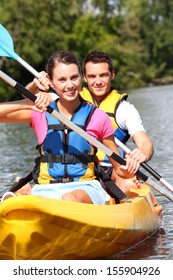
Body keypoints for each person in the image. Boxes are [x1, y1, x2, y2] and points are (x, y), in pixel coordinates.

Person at [0, 50, 140, 204]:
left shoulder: (98, 117)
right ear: (51, 82)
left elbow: (118, 168)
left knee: (69, 198)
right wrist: (29, 103)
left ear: (81, 77)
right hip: (46, 189)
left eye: (74, 77)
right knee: (20, 201)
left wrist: (128, 169)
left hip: (86, 187)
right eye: (62, 80)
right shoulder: (40, 112)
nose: (70, 85)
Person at [27, 50, 153, 190]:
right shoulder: (68, 96)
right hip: (80, 169)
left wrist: (142, 154)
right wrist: (35, 85)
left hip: (112, 169)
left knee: (128, 184)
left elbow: (145, 142)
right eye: (92, 76)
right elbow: (27, 99)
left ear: (112, 75)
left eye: (103, 75)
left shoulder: (124, 109)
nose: (98, 82)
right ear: (84, 78)